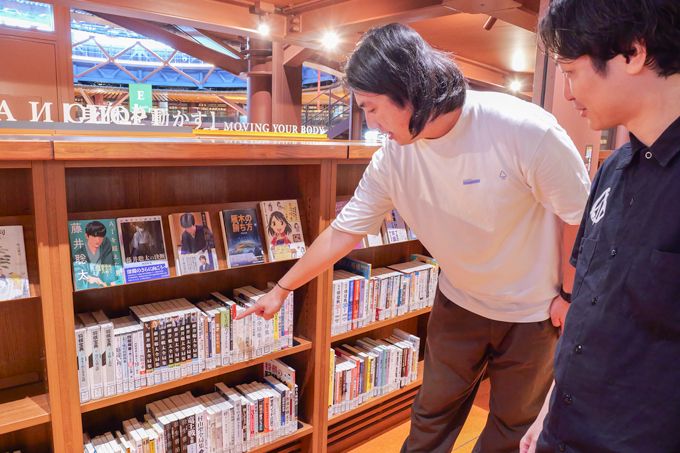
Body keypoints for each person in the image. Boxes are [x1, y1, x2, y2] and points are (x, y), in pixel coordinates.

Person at [237, 23, 590, 452]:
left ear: (409, 89)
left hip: (534, 312)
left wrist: (568, 296)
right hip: (459, 302)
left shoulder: (524, 130)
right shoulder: (393, 158)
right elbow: (344, 230)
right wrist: (282, 289)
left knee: (511, 429)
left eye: (372, 107)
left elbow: (578, 216)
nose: (370, 122)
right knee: (430, 419)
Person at [520, 1, 680, 452]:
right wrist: (548, 411)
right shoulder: (612, 170)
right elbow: (589, 310)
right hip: (564, 428)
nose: (568, 93)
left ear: (632, 52)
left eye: (571, 72)